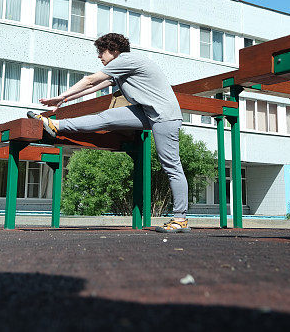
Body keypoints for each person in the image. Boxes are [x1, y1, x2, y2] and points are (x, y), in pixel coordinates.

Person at [27, 33, 190, 233]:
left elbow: (90, 79)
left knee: (171, 165)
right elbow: (96, 86)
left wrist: (61, 95)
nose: (99, 57)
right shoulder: (121, 68)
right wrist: (64, 100)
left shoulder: (126, 60)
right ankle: (56, 126)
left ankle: (180, 219)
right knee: (108, 117)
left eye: (101, 52)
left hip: (164, 116)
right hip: (147, 113)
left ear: (113, 50)